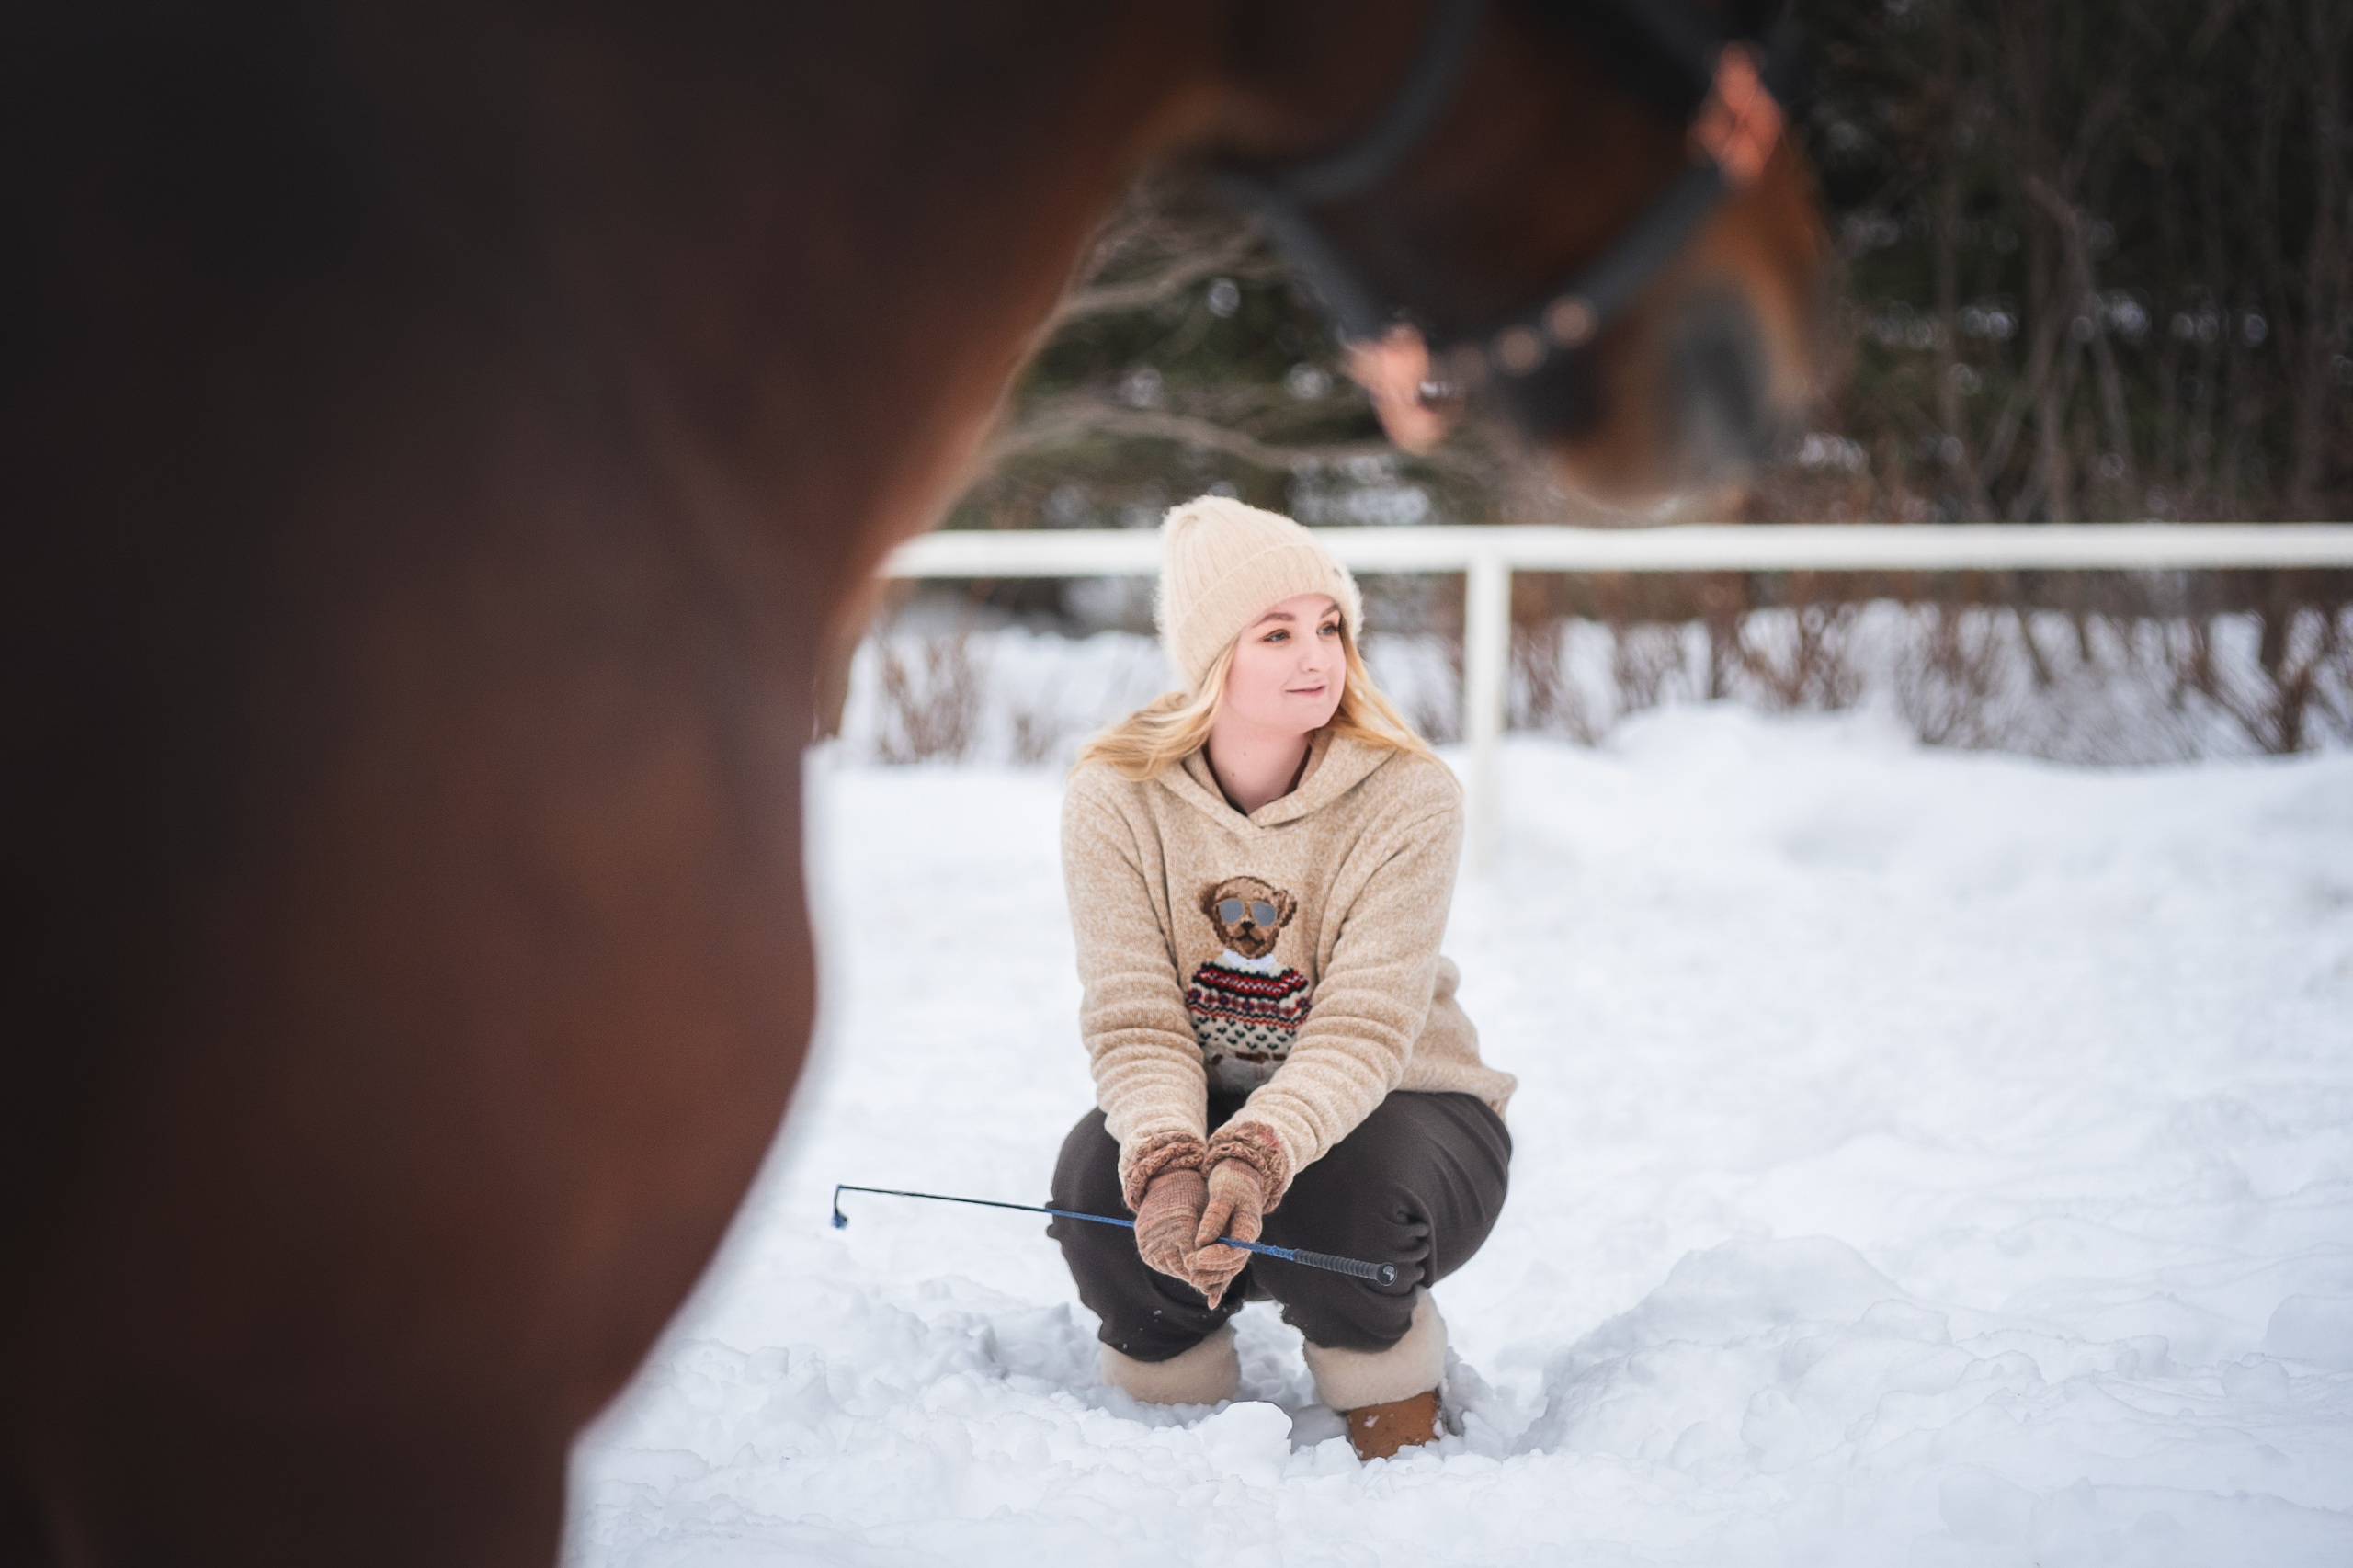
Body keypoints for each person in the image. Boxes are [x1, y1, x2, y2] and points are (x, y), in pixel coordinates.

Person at [1051, 494, 1515, 1461]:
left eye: (1329, 626)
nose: (1318, 657)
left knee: (1336, 1199)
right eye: (1277, 632)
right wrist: (1170, 1160)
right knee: (1098, 1191)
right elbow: (1136, 1020)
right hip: (1206, 1095)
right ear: (1212, 655)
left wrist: (1257, 1153)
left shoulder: (1409, 795)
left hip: (1406, 1103)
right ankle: (1176, 1422)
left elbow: (1361, 1028)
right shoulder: (1116, 794)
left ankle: (1392, 1402)